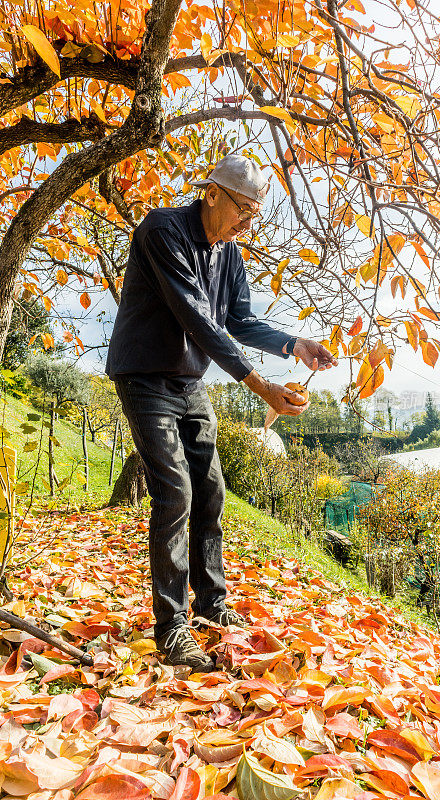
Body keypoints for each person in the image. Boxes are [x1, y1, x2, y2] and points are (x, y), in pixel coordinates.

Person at [106, 154, 337, 672]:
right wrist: (260, 387)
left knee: (210, 487)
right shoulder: (162, 230)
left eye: (255, 215)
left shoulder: (228, 253)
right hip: (144, 377)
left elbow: (239, 319)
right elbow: (199, 321)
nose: (246, 224)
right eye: (243, 211)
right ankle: (172, 627)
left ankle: (211, 601)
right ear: (212, 193)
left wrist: (294, 343)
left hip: (189, 381)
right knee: (176, 491)